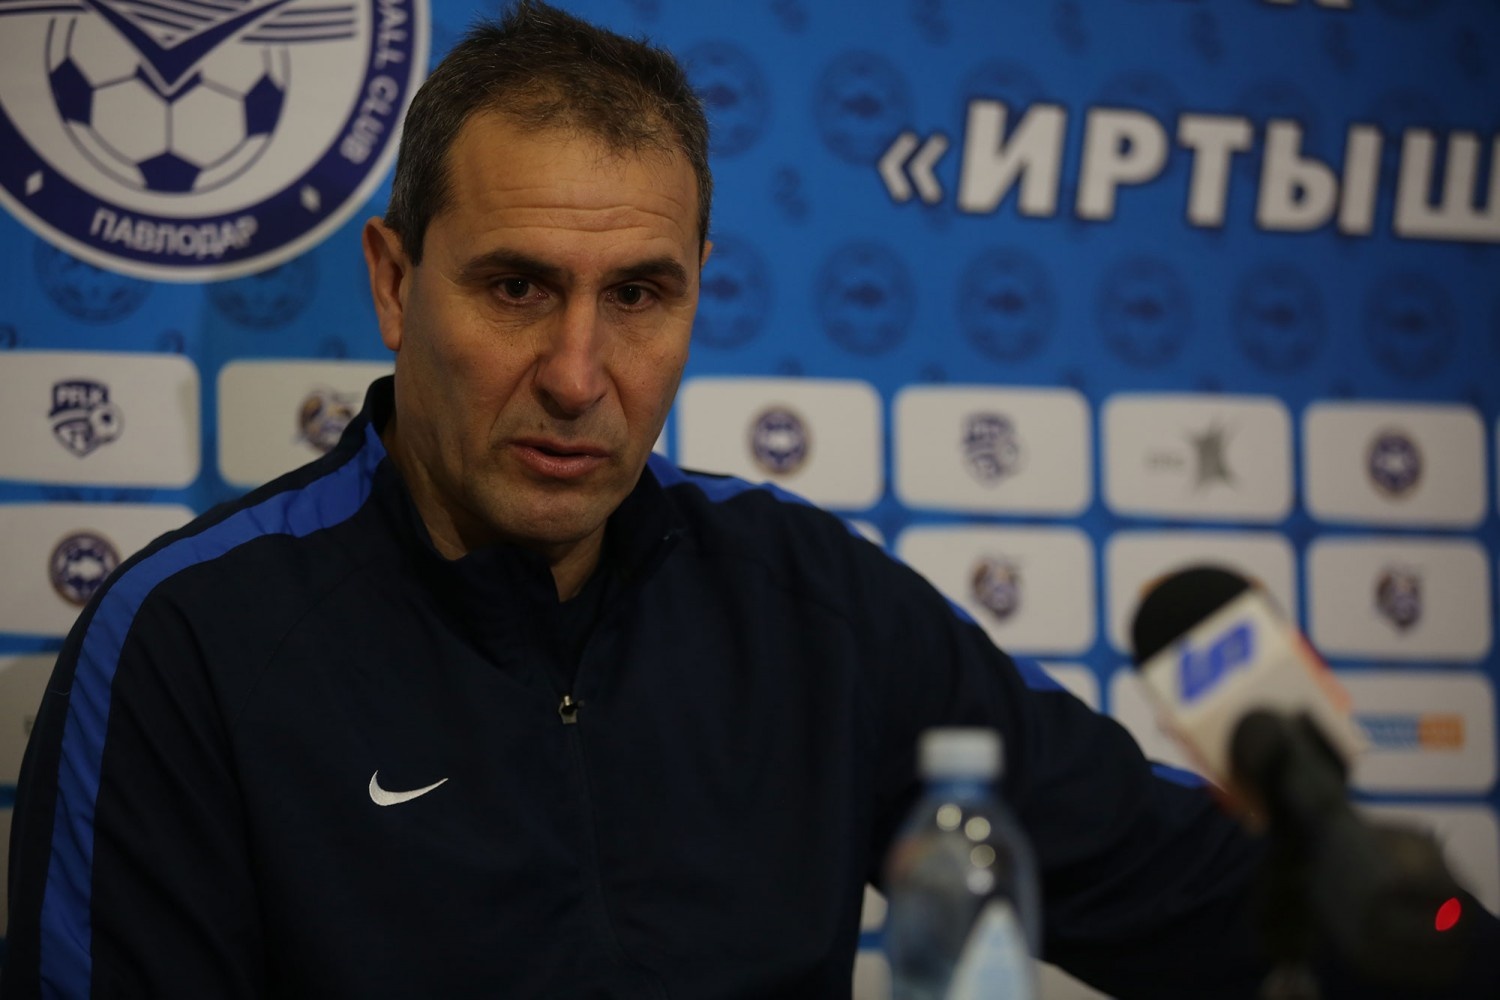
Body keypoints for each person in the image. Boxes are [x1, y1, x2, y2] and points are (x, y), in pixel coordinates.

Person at [4, 3, 1496, 998]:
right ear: (397, 285)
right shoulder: (192, 642)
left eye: (638, 295)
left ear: (698, 294)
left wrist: (1418, 922)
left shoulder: (807, 604)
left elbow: (1185, 889)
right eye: (517, 286)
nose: (578, 374)